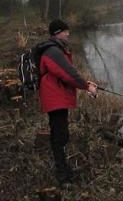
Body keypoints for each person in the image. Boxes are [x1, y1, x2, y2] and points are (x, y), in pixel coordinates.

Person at [39, 19, 97, 187]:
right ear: (57, 33)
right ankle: (63, 177)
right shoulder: (53, 51)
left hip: (56, 99)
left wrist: (86, 84)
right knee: (59, 136)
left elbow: (68, 75)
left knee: (60, 135)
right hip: (54, 99)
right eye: (65, 31)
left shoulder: (55, 49)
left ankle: (64, 170)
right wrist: (87, 86)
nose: (68, 33)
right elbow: (68, 74)